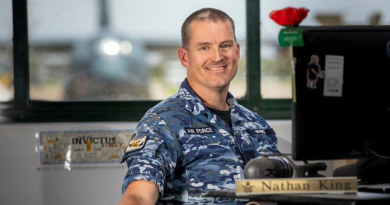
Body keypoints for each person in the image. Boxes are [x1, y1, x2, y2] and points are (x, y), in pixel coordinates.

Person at [118, 8, 278, 205]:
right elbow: (139, 196)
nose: (218, 56)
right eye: (204, 48)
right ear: (185, 57)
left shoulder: (257, 125)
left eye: (225, 45)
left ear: (236, 52)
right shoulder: (162, 123)